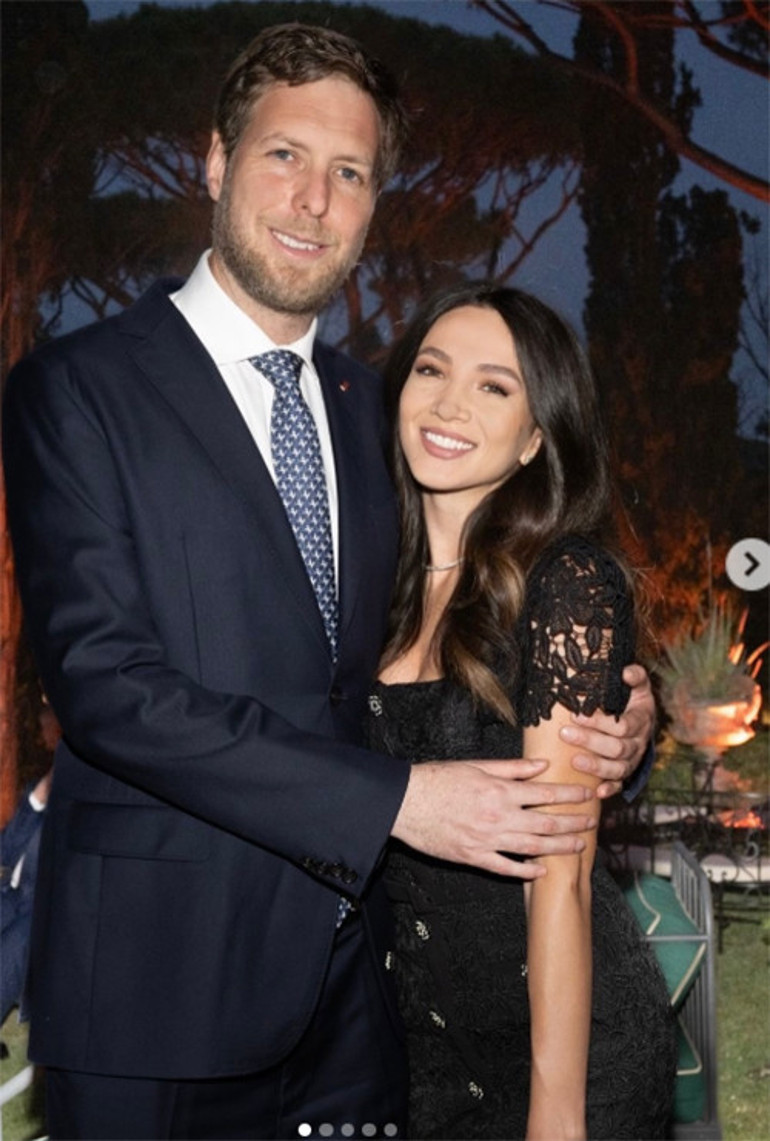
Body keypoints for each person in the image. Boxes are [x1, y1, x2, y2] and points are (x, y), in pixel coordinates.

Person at [3, 24, 654, 1141]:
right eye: (284, 156)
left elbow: (466, 624)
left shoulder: (380, 418)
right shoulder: (79, 389)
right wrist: (399, 804)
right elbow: (106, 686)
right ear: (216, 161)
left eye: (349, 172)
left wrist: (619, 715)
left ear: (373, 202)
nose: (314, 200)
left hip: (366, 1016)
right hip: (152, 998)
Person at [367, 282, 677, 1140]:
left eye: (494, 386)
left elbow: (562, 874)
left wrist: (557, 1113)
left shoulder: (566, 583)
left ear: (537, 436)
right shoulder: (371, 587)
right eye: (432, 369)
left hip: (567, 1057)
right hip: (421, 1066)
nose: (449, 404)